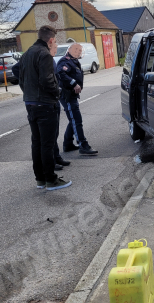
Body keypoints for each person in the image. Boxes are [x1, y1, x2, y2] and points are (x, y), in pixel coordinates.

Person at [18, 25, 72, 190]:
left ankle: (40, 179)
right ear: (50, 40)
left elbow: (21, 79)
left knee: (37, 142)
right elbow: (47, 80)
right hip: (45, 104)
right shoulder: (45, 55)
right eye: (54, 41)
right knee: (47, 144)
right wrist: (58, 93)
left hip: (30, 103)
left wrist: (29, 95)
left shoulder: (26, 54)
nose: (54, 43)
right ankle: (51, 180)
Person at [12, 53, 70, 172]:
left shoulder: (48, 56)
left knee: (54, 131)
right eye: (54, 42)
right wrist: (28, 84)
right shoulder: (38, 55)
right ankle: (51, 163)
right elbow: (15, 68)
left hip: (52, 98)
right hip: (43, 100)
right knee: (46, 136)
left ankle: (56, 157)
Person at [56, 43, 98, 155]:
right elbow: (60, 72)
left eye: (80, 50)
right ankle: (83, 145)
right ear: (69, 50)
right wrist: (73, 83)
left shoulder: (74, 61)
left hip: (72, 95)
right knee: (76, 119)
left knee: (73, 119)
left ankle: (68, 144)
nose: (78, 52)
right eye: (76, 50)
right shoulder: (65, 61)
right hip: (67, 95)